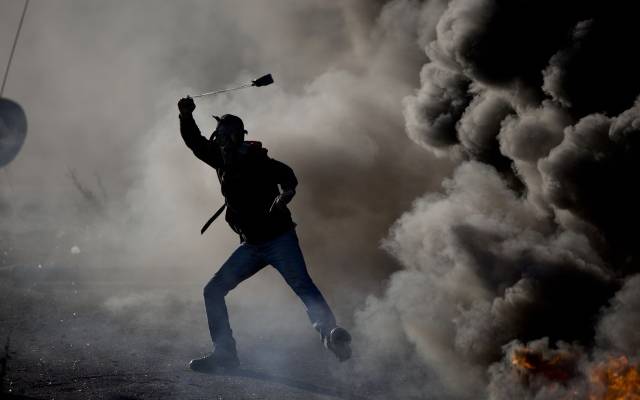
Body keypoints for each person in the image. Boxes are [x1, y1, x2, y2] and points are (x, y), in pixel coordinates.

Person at [177, 96, 352, 372]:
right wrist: (186, 115)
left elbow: (287, 174)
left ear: (236, 137)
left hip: (279, 239)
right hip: (252, 244)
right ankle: (225, 355)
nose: (220, 142)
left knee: (303, 286)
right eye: (218, 136)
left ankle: (332, 336)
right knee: (213, 291)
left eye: (225, 137)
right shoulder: (221, 159)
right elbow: (195, 142)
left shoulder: (257, 160)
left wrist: (287, 192)